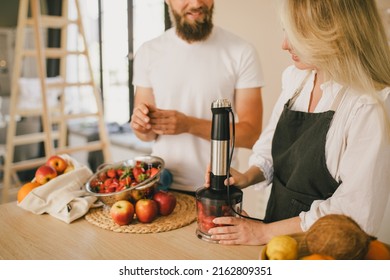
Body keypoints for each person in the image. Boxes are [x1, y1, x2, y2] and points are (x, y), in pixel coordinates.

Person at [206, 0, 390, 245]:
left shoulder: (369, 105)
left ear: (334, 33)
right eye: (286, 30)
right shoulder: (296, 80)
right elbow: (270, 146)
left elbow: (355, 212)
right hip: (277, 243)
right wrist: (248, 176)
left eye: (297, 34)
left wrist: (261, 232)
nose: (284, 44)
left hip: (327, 252)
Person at [130, 0, 264, 193]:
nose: (196, 3)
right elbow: (146, 134)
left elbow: (251, 135)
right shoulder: (148, 52)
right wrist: (140, 125)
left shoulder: (241, 51)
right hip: (161, 186)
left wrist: (189, 125)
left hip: (218, 188)